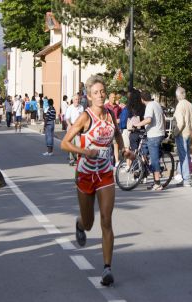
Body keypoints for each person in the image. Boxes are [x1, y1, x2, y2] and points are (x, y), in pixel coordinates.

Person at [61, 74, 134, 286]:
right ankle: (80, 223)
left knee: (106, 220)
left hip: (105, 173)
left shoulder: (111, 115)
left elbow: (118, 135)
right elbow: (65, 143)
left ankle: (107, 269)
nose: (101, 95)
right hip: (85, 174)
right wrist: (84, 151)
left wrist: (125, 150)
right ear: (89, 96)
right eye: (96, 93)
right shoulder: (85, 117)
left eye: (102, 91)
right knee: (90, 222)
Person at [133, 90, 166, 191]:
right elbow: (163, 118)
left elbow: (148, 119)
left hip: (154, 135)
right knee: (144, 150)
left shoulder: (149, 106)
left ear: (142, 99)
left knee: (154, 159)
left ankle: (157, 183)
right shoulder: (156, 104)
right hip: (159, 133)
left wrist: (137, 125)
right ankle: (150, 171)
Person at [173, 86, 192, 187]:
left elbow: (180, 123)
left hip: (181, 134)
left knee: (183, 157)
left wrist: (175, 133)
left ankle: (186, 179)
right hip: (189, 133)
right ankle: (180, 177)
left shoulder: (180, 105)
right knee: (186, 156)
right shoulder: (190, 104)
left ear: (178, 95)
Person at [65, 93, 84, 165]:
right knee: (71, 143)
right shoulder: (70, 108)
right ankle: (72, 159)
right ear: (73, 100)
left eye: (78, 99)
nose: (77, 100)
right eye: (76, 99)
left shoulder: (81, 107)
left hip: (78, 127)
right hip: (71, 126)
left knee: (79, 144)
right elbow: (67, 118)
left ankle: (79, 158)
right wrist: (69, 126)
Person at [105, 92, 122, 166]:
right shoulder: (105, 106)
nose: (113, 98)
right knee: (108, 145)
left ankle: (117, 161)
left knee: (115, 144)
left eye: (114, 97)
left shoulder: (117, 107)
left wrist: (119, 119)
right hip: (107, 128)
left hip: (115, 127)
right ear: (109, 98)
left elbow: (121, 116)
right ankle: (108, 160)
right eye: (112, 97)